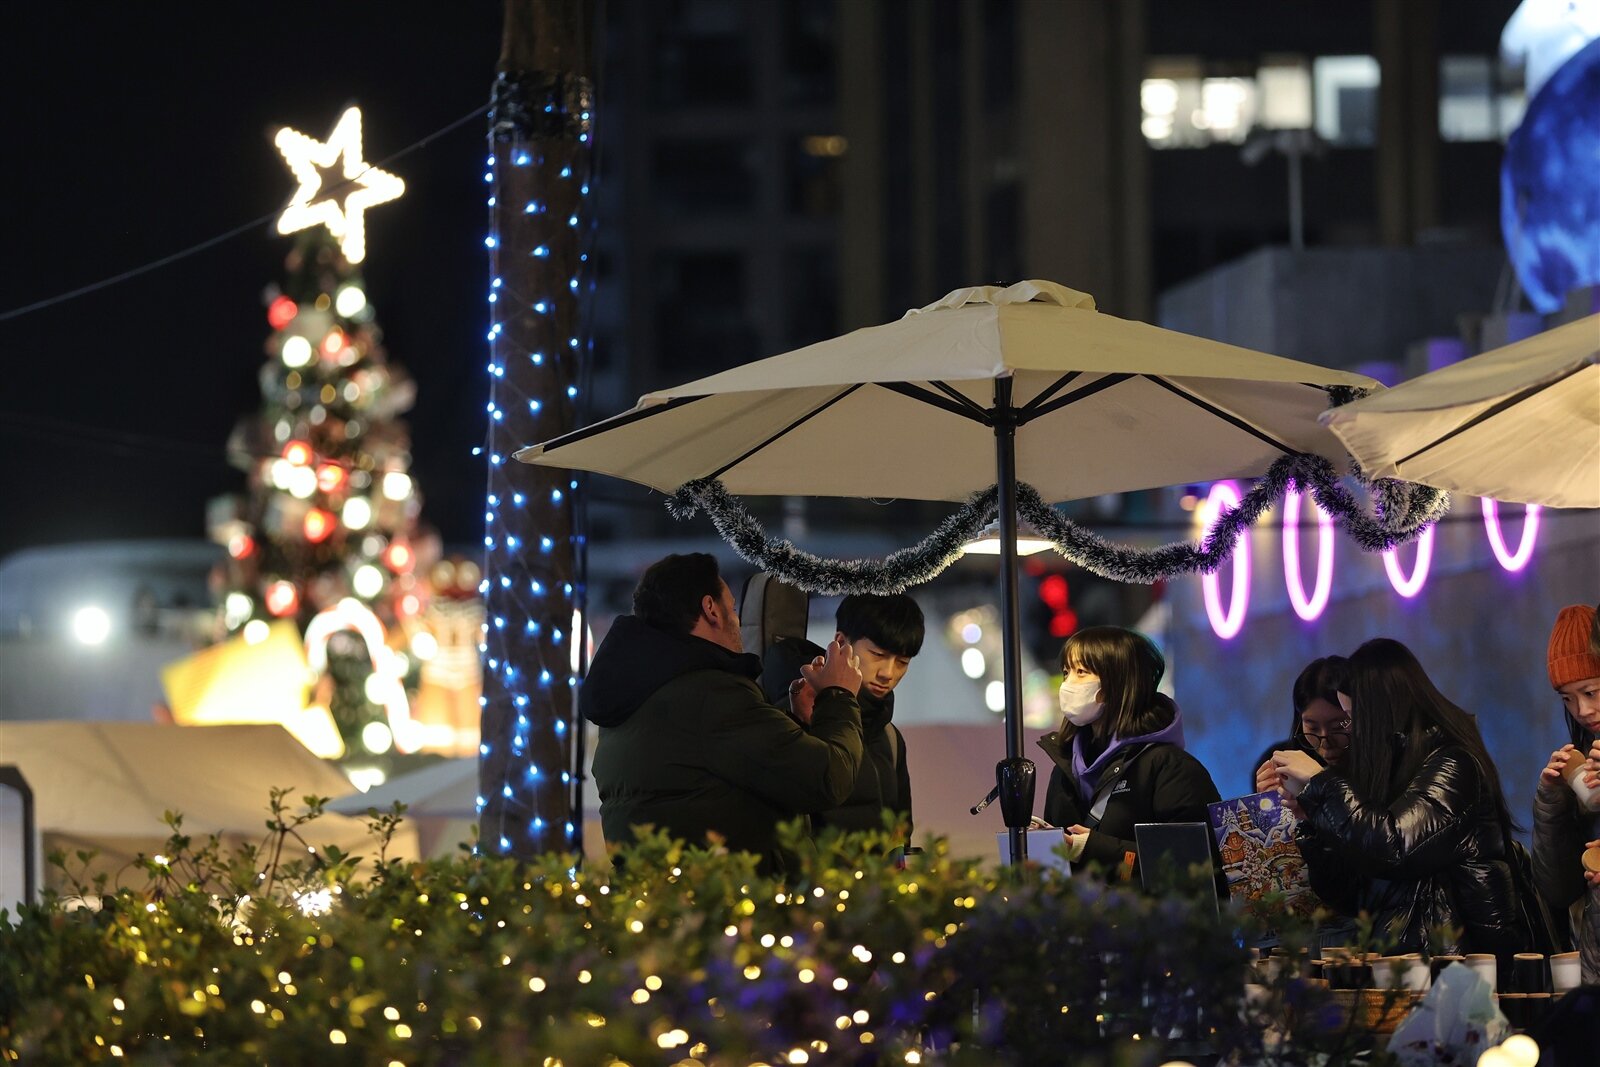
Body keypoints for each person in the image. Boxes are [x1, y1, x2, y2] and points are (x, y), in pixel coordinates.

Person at [582, 553, 865, 875]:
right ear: (710, 609)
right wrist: (839, 695)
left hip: (668, 903)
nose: (736, 620)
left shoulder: (638, 693)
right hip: (728, 905)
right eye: (732, 608)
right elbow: (829, 779)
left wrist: (795, 719)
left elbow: (715, 776)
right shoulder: (710, 695)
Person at [1274, 638, 1525, 960]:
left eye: (1350, 719)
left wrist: (1323, 783)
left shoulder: (1452, 763)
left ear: (1382, 710)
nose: (1353, 732)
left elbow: (1396, 847)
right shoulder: (1386, 769)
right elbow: (1351, 895)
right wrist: (1312, 821)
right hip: (1408, 959)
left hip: (1461, 962)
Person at [1038, 625, 1221, 877]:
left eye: (1081, 672)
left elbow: (1193, 864)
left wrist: (1095, 849)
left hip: (1146, 916)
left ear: (1120, 682)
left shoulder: (1170, 767)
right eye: (1066, 671)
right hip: (1078, 914)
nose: (1068, 683)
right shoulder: (1066, 765)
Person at [1532, 603, 1600, 981]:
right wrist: (1551, 800)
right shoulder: (1580, 761)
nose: (1582, 710)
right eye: (1567, 698)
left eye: (1590, 691)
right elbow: (1556, 888)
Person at [1250, 656, 1351, 799]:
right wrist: (1271, 807)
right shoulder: (1283, 766)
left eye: (1338, 726)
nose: (1325, 742)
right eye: (1312, 728)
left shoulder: (1384, 772)